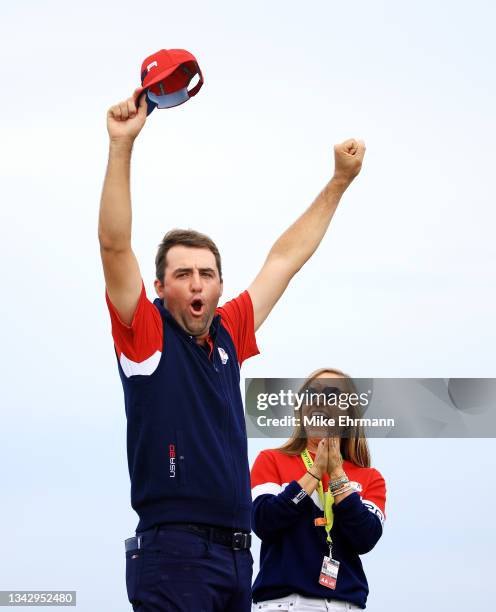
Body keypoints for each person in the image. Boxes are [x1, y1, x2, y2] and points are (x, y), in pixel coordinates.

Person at [98, 89, 366, 612]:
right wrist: (121, 146)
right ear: (159, 287)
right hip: (174, 552)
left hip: (237, 560)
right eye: (182, 274)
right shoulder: (146, 334)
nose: (196, 283)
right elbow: (113, 246)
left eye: (206, 273)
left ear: (220, 285)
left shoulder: (228, 331)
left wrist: (338, 182)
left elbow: (285, 259)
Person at [250, 368, 386, 611]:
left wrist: (336, 474)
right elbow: (264, 522)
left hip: (344, 605)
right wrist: (313, 473)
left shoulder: (370, 478)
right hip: (283, 604)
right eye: (311, 394)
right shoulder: (270, 460)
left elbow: (365, 538)